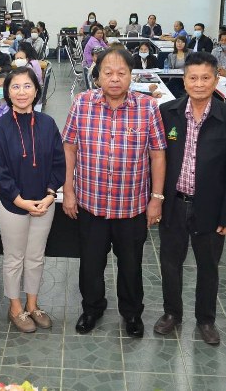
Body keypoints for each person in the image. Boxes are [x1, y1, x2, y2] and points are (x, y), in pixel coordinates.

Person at [62, 47, 167, 338]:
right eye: (108, 72)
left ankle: (132, 313)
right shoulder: (82, 103)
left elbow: (158, 154)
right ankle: (92, 308)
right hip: (90, 203)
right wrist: (68, 190)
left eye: (122, 73)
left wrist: (156, 199)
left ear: (131, 76)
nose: (115, 78)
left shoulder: (147, 107)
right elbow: (68, 148)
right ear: (97, 76)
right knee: (90, 264)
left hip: (131, 206)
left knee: (131, 266)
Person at [154, 52, 226, 344]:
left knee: (208, 266)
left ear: (216, 80)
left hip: (210, 208)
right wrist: (156, 200)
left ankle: (206, 320)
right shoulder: (167, 112)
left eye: (206, 78)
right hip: (174, 204)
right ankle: (172, 313)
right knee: (170, 263)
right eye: (193, 78)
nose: (199, 84)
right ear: (184, 81)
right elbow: (156, 160)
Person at [0, 67, 65, 333]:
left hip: (44, 203)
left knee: (36, 257)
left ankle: (33, 304)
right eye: (15, 87)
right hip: (12, 205)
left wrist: (51, 194)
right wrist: (18, 200)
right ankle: (15, 308)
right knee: (14, 258)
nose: (21, 92)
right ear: (7, 92)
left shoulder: (47, 124)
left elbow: (59, 162)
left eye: (27, 86)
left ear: (36, 90)